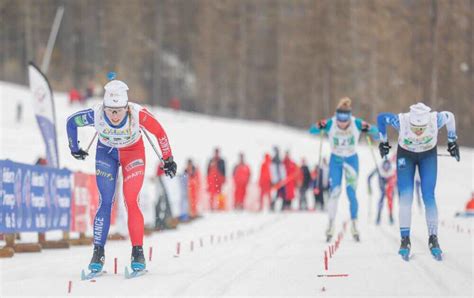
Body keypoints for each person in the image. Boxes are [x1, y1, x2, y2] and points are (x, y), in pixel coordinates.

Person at [66, 79, 177, 273]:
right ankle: (98, 253)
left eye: (119, 111)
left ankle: (137, 252)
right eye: (110, 111)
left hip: (132, 153)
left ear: (126, 107)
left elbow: (159, 132)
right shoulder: (96, 113)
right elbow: (71, 122)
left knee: (131, 199)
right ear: (104, 107)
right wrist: (75, 148)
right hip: (106, 154)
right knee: (105, 201)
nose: (115, 116)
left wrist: (168, 159)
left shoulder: (137, 113)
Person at [377, 102, 459, 260]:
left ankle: (433, 238)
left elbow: (451, 117)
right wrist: (384, 141)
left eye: (422, 128)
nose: (419, 131)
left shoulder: (436, 119)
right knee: (406, 197)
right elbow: (381, 118)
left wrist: (452, 141)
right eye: (415, 128)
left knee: (428, 195)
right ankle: (405, 239)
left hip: (428, 156)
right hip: (405, 157)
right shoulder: (402, 121)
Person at [309, 97, 378, 242]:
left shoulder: (356, 123)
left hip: (351, 160)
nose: (342, 123)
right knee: (334, 192)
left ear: (349, 116)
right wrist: (319, 125)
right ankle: (330, 224)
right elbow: (312, 130)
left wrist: (369, 129)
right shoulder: (331, 123)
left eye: (345, 119)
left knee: (351, 193)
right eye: (339, 118)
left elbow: (376, 132)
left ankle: (354, 224)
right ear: (336, 115)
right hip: (336, 161)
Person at [368, 159, 396, 225]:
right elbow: (369, 177)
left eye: (387, 167)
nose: (386, 169)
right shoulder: (379, 168)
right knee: (382, 197)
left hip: (390, 184)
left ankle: (390, 216)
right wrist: (369, 187)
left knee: (390, 199)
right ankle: (378, 216)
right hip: (382, 183)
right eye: (385, 167)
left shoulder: (393, 169)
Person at [270, 147, 287, 211]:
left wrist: (283, 179)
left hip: (281, 180)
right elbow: (273, 171)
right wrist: (274, 180)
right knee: (275, 194)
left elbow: (282, 170)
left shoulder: (279, 161)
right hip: (276, 181)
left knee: (283, 194)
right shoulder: (273, 161)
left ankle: (283, 206)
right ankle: (272, 205)